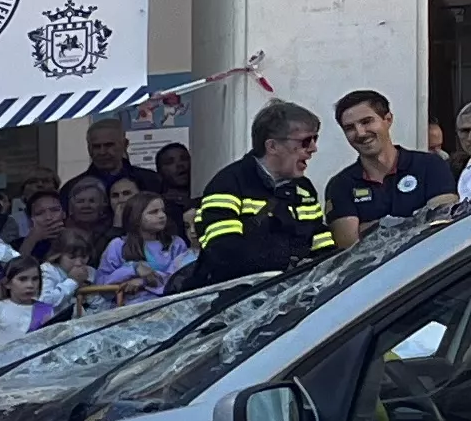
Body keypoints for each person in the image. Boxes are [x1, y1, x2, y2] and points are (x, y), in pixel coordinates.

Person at [187, 99, 323, 291]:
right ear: (272, 146)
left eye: (315, 139)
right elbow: (223, 251)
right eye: (305, 141)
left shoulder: (304, 189)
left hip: (294, 296)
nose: (313, 149)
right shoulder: (227, 184)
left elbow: (319, 237)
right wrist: (287, 265)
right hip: (238, 301)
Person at [325, 88, 456, 246]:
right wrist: (416, 220)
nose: (360, 133)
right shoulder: (340, 185)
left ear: (388, 119)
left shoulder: (430, 165)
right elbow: (349, 247)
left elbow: (442, 225)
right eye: (349, 128)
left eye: (367, 122)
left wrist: (371, 228)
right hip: (376, 270)